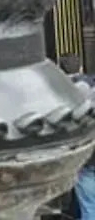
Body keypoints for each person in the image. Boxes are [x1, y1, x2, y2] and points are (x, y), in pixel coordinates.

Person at [61, 55, 95, 218]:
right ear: (81, 67)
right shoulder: (90, 86)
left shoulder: (58, 91)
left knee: (89, 205)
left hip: (81, 157)